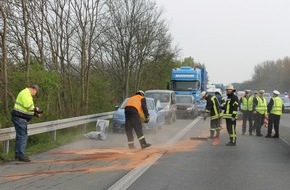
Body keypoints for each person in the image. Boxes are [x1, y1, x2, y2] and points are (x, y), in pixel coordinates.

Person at [11, 84, 42, 162]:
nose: (35, 93)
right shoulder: (26, 93)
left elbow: (26, 109)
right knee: (23, 136)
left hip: (19, 118)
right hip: (19, 118)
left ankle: (18, 155)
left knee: (20, 136)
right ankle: (21, 155)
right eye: (36, 92)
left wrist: (35, 114)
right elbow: (28, 106)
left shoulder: (26, 93)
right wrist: (36, 109)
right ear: (33, 89)